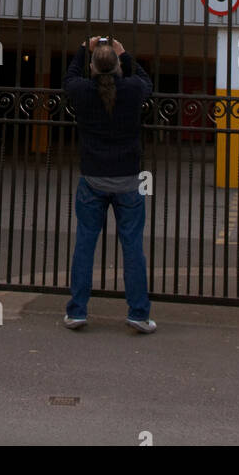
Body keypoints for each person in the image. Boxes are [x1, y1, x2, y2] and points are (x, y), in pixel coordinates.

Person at [62, 35, 155, 333]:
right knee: (132, 247)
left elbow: (69, 77)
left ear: (92, 68)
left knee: (85, 244)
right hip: (129, 179)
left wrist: (82, 48)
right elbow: (145, 80)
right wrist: (124, 52)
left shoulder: (82, 91)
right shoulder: (132, 90)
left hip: (92, 178)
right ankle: (138, 313)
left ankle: (77, 311)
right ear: (117, 67)